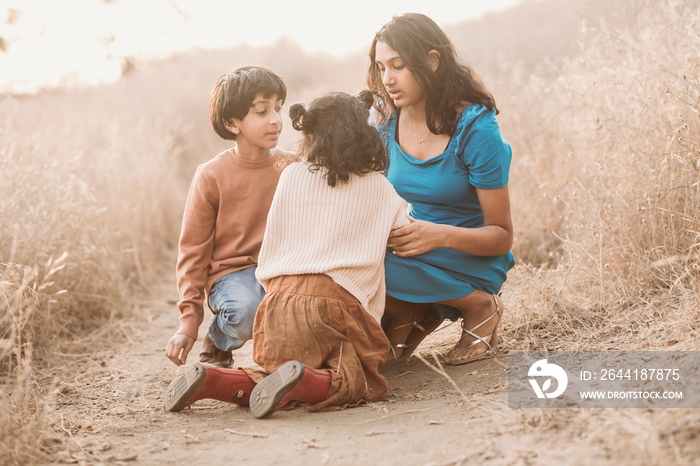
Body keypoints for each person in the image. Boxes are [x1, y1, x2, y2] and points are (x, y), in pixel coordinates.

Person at [164, 91, 411, 418]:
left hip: (277, 306)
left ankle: (217, 380)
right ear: (365, 133)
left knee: (274, 375)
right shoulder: (381, 189)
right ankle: (307, 382)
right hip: (337, 305)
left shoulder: (292, 175)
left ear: (311, 135)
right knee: (358, 377)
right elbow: (405, 238)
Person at [366, 13, 515, 366]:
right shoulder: (385, 120)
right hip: (419, 242)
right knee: (354, 253)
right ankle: (412, 313)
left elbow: (502, 236)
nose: (388, 79)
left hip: (474, 253)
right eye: (381, 67)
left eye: (398, 66)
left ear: (432, 61)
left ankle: (478, 303)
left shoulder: (476, 129)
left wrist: (438, 236)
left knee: (375, 262)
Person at [165, 66, 293, 370]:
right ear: (231, 123)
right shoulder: (211, 176)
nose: (276, 119)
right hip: (233, 274)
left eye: (278, 108)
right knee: (245, 314)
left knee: (298, 311)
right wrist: (189, 323)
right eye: (262, 111)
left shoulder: (291, 166)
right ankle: (219, 338)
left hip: (284, 267)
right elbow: (193, 252)